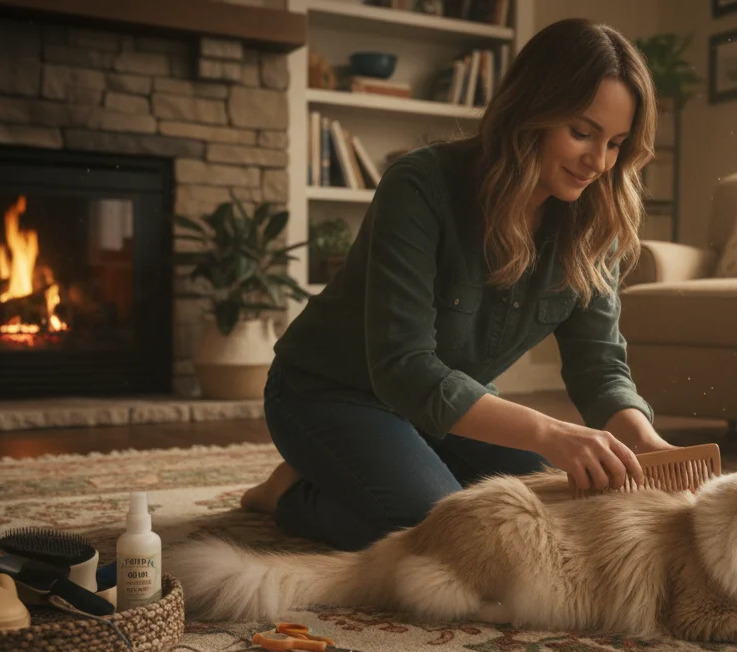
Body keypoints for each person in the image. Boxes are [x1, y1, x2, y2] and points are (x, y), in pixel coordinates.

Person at [243, 18, 676, 551]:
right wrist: (552, 432)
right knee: (450, 535)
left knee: (557, 506)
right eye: (582, 133)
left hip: (441, 411)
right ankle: (287, 494)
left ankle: (383, 463)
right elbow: (404, 368)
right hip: (327, 392)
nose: (598, 162)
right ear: (529, 112)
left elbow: (599, 364)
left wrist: (643, 440)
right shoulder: (421, 185)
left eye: (616, 143)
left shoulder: (595, 218)